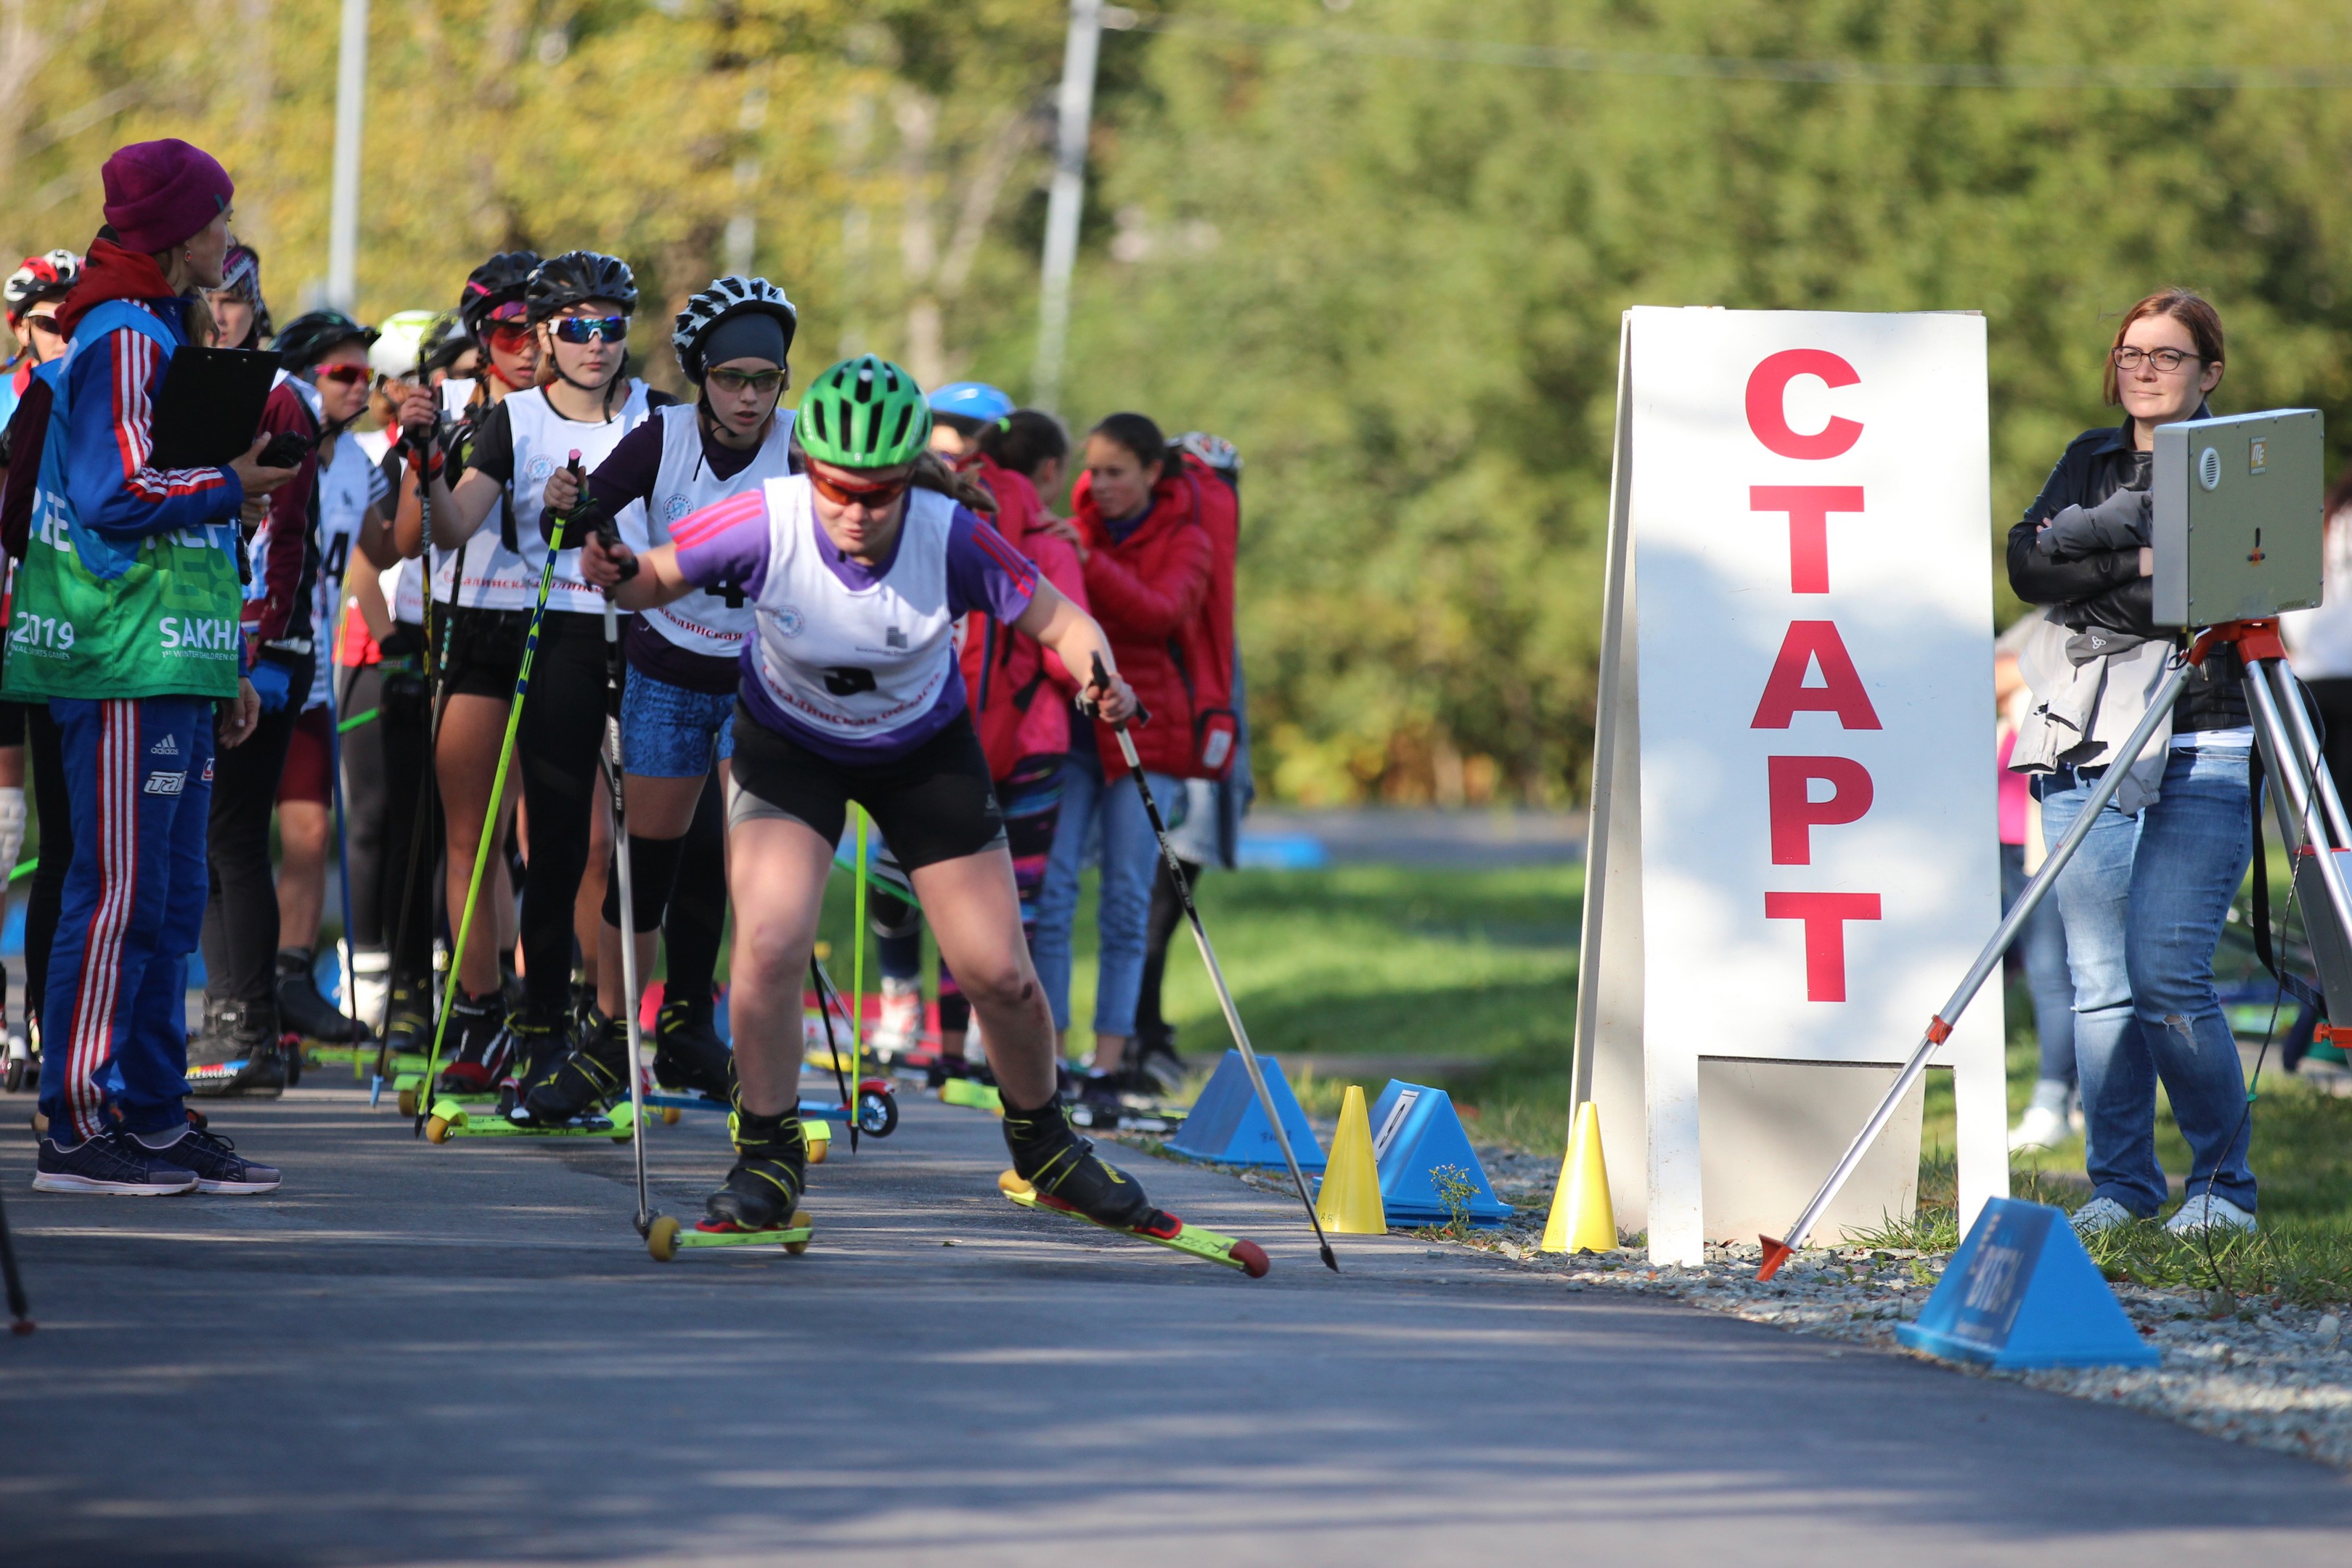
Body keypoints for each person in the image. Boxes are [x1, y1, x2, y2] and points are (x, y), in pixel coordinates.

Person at [579, 354, 1171, 1236]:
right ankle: (768, 1155)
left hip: (922, 752)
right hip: (792, 749)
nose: (856, 513)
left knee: (1000, 976)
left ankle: (1045, 1147)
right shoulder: (767, 518)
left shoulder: (951, 534)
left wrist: (1101, 680)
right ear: (811, 470)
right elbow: (657, 576)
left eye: (879, 494)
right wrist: (615, 570)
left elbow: (1062, 621)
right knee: (772, 944)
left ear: (909, 481)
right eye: (838, 490)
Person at [13, 137, 297, 1192]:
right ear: (178, 232)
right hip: (118, 658)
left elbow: (171, 507)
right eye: (219, 218)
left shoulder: (159, 325)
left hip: (173, 657)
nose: (228, 235)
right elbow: (111, 495)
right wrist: (231, 480)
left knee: (172, 898)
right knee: (119, 889)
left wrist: (220, 658)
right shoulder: (126, 329)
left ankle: (156, 1113)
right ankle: (77, 1126)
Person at [518, 274, 799, 1119]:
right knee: (646, 867)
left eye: (766, 380)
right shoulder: (661, 436)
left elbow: (880, 490)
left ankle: (698, 1029)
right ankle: (608, 1039)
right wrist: (570, 511)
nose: (749, 398)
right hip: (671, 672)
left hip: (766, 689)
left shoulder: (801, 442)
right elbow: (574, 525)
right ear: (700, 372)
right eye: (730, 378)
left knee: (747, 875)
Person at [2006, 286, 2255, 1236]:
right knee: (2098, 974)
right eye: (2130, 355)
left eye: (2166, 356)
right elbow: (2030, 571)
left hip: (2203, 733)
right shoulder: (2089, 457)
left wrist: (2098, 556)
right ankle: (2121, 1184)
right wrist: (2144, 561)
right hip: (2089, 730)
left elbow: (2219, 592)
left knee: (2166, 971)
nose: (2144, 370)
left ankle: (2223, 1187)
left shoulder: (2239, 463)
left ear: (2209, 373)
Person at [396, 251, 668, 1095]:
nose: (595, 343)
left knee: (629, 849)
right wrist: (423, 460)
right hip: (543, 636)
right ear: (550, 336)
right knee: (545, 845)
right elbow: (445, 529)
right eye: (576, 329)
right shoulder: (511, 421)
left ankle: (623, 1021)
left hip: (644, 636)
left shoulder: (665, 415)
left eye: (611, 327)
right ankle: (530, 1021)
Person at [865, 386, 1087, 1082]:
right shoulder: (1039, 533)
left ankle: (946, 1045)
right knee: (1009, 909)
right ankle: (1008, 1058)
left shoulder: (921, 514)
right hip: (1029, 742)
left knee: (932, 894)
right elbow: (1066, 640)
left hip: (929, 727)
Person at [1031, 412, 1230, 1112]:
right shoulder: (1074, 527)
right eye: (1094, 470)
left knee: (1124, 899)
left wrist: (1083, 559)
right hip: (1078, 727)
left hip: (1149, 736)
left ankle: (1108, 1065)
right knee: (1053, 895)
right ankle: (1048, 1061)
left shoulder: (1189, 540)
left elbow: (1159, 612)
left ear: (1153, 473)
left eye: (1117, 471)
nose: (1100, 484)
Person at [185, 288, 345, 1095]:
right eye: (208, 300)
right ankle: (232, 1018)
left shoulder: (277, 393)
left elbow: (285, 540)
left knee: (233, 839)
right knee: (209, 842)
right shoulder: (184, 377)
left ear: (256, 308)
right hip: (208, 640)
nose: (221, 316)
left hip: (265, 646)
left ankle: (247, 1025)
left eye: (235, 301)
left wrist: (254, 652)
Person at [263, 311, 403, 1048]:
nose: (360, 388)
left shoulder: (356, 459)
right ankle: (244, 986)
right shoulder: (271, 441)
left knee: (312, 832)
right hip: (249, 655)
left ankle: (289, 978)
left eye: (365, 376)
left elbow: (384, 547)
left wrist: (417, 459)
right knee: (226, 841)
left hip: (312, 666)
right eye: (343, 374)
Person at [1125, 432, 1249, 1095]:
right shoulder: (1194, 529)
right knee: (1157, 890)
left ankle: (1142, 1031)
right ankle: (1136, 1038)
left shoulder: (1180, 526)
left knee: (1152, 890)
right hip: (1186, 716)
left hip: (1176, 710)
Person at [0, 250, 82, 1066]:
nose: (63, 334)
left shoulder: (97, 381)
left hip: (69, 633)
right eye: (49, 321)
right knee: (2, 829)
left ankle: (45, 1019)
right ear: (18, 326)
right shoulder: (10, 396)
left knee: (59, 839)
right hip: (12, 624)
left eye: (74, 317)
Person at [1994, 622, 2076, 1151]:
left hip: (2040, 840)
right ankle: (2070, 1097)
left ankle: (2055, 1100)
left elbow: (2004, 672)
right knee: (2034, 974)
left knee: (2053, 974)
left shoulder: (2066, 622)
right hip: (2006, 838)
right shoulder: (2038, 621)